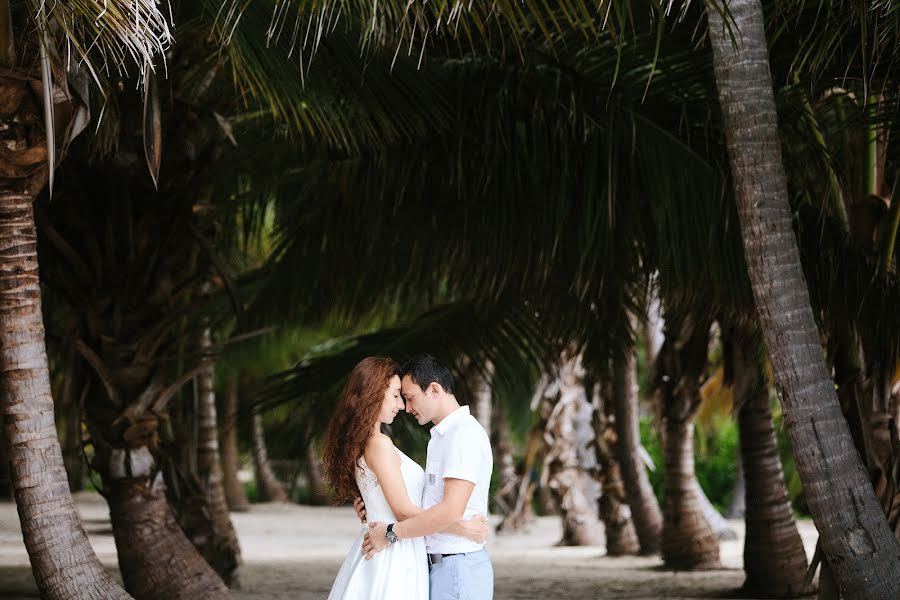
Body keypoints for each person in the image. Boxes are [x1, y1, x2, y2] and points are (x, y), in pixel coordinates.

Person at [323, 357, 487, 600]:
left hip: (400, 544)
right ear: (373, 395)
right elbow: (403, 510)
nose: (402, 406)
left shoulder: (457, 434)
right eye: (396, 396)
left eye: (406, 397)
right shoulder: (379, 443)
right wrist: (464, 528)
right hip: (395, 549)